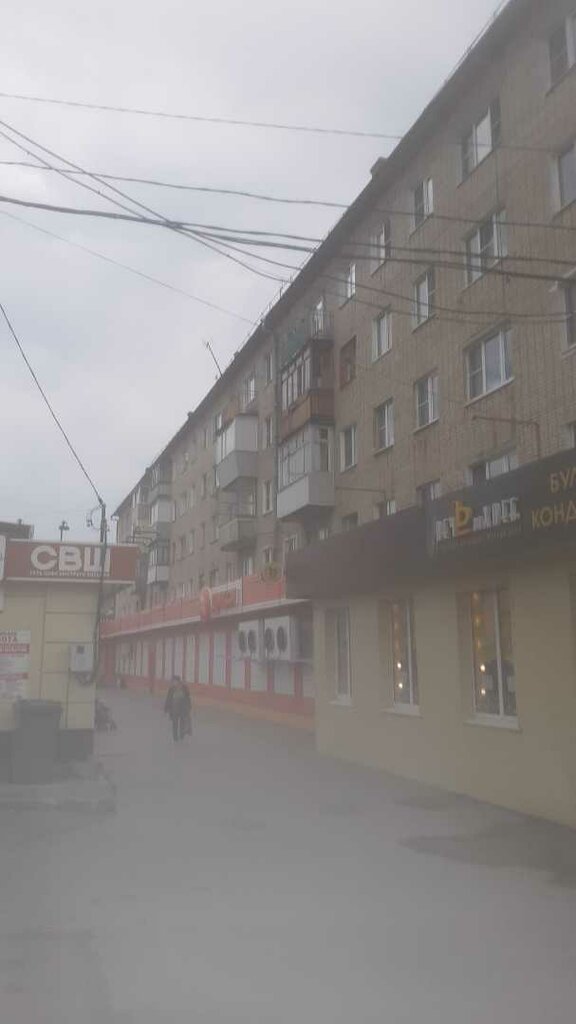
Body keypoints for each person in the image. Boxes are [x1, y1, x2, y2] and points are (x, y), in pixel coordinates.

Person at [164, 676, 192, 742]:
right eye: (172, 681)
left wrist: (189, 707)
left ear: (178, 681)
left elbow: (188, 697)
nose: (173, 683)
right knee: (175, 723)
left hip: (183, 708)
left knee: (182, 722)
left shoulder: (184, 688)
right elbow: (168, 698)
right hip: (174, 709)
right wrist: (166, 708)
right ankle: (175, 737)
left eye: (174, 681)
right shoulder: (171, 689)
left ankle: (181, 734)